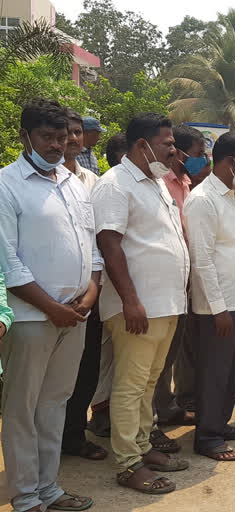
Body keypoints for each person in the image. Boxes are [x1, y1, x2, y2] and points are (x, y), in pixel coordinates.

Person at [0, 98, 100, 511]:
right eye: (48, 136)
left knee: (55, 403)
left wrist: (90, 293)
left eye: (63, 137)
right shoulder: (7, 185)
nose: (58, 145)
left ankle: (49, 488)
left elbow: (91, 249)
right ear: (25, 136)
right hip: (30, 318)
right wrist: (52, 308)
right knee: (22, 410)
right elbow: (7, 260)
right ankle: (25, 499)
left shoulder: (74, 182)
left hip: (75, 315)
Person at [91, 113, 190, 495]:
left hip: (166, 303)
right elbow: (110, 244)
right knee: (130, 385)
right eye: (167, 143)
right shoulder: (115, 185)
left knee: (149, 382)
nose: (173, 150)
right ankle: (127, 463)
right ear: (141, 145)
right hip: (138, 307)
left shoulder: (157, 183)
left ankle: (143, 446)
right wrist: (130, 300)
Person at [184, 132, 235, 461]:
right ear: (229, 162)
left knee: (232, 369)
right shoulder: (203, 200)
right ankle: (208, 437)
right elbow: (201, 260)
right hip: (219, 306)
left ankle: (220, 423)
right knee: (215, 372)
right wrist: (219, 309)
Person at [150, 124, 208, 452]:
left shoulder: (186, 182)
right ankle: (153, 419)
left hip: (185, 282)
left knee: (174, 350)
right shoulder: (161, 185)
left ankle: (167, 406)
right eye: (198, 155)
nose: (202, 161)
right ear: (179, 153)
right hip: (163, 284)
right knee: (156, 358)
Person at [58, 108, 109, 463]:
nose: (73, 139)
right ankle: (42, 445)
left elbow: (98, 242)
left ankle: (73, 435)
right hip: (47, 297)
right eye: (66, 132)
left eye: (77, 132)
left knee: (86, 369)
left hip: (89, 296)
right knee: (47, 381)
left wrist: (92, 290)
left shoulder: (92, 182)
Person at [88, 133, 128, 439]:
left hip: (116, 290)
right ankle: (100, 414)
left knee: (118, 360)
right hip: (103, 288)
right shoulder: (110, 186)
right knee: (104, 358)